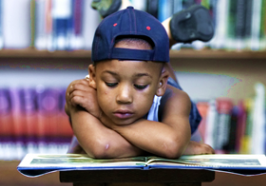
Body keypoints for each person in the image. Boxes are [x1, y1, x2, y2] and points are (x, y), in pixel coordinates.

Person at [66, 6, 214, 158]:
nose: (124, 97)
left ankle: (165, 40)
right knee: (149, 69)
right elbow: (103, 147)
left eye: (140, 85)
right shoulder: (82, 94)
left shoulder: (173, 97)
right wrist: (166, 147)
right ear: (93, 76)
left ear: (160, 84)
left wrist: (101, 115)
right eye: (111, 83)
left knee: (166, 83)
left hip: (161, 94)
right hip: (152, 79)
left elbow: (172, 145)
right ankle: (163, 37)